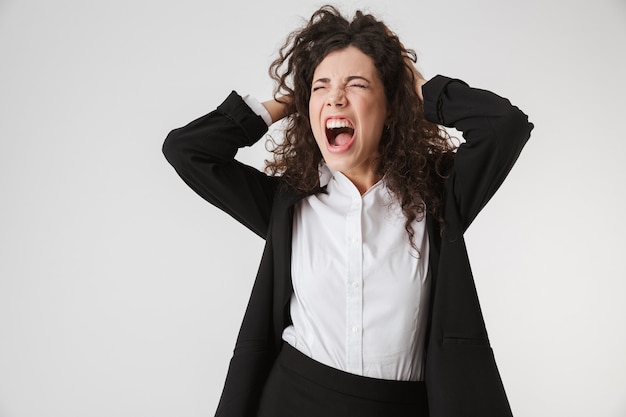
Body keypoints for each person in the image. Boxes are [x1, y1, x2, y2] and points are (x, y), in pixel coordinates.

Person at [162, 5, 533, 417]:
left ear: (391, 104)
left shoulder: (439, 195)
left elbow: (504, 126)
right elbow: (187, 150)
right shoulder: (288, 202)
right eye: (321, 86)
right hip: (289, 400)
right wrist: (291, 99)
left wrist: (420, 86)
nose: (335, 97)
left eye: (356, 84)